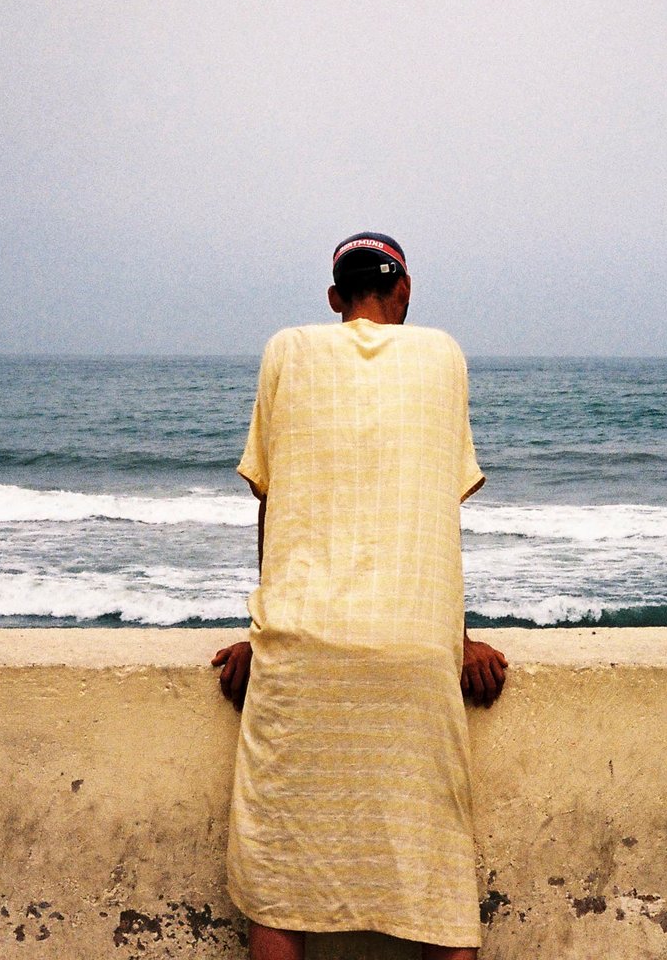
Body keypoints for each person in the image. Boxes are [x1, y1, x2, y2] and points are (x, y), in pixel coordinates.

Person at [212, 232, 509, 960]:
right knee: (437, 876)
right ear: (403, 291)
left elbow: (273, 505)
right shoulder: (443, 355)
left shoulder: (287, 349)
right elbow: (432, 512)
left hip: (304, 646)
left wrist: (264, 633)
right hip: (414, 651)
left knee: (280, 885)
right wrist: (455, 637)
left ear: (334, 299)